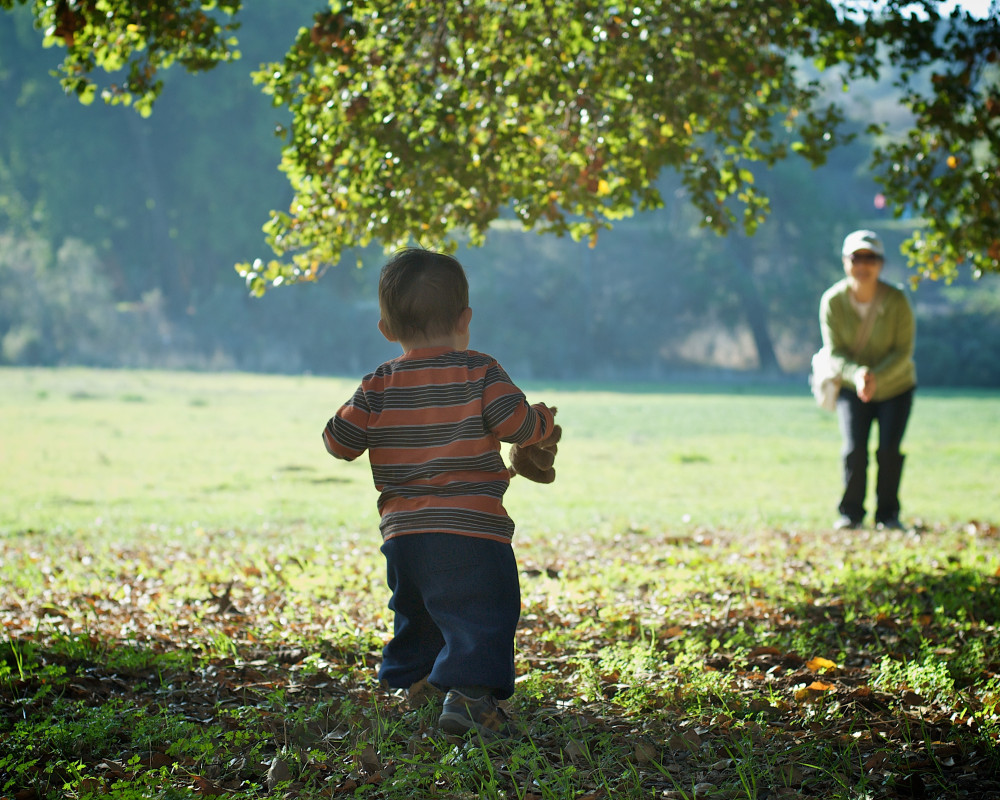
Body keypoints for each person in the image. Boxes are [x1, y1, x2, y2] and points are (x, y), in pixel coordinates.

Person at [322, 248, 559, 739]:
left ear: (386, 328)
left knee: (419, 610)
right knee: (482, 612)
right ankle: (470, 699)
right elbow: (514, 424)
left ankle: (416, 686)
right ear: (465, 318)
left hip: (404, 536)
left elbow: (338, 442)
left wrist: (364, 408)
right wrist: (542, 423)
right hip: (472, 529)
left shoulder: (378, 384)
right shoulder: (481, 371)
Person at [819, 229, 917, 531]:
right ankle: (851, 514)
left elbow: (904, 351)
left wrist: (875, 376)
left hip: (896, 386)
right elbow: (834, 352)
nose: (863, 265)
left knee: (888, 450)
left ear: (881, 263)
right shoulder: (833, 301)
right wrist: (858, 375)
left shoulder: (897, 300)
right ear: (846, 262)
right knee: (854, 449)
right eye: (857, 257)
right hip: (851, 387)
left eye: (870, 258)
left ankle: (888, 515)